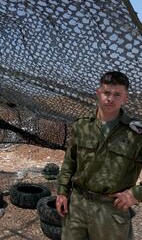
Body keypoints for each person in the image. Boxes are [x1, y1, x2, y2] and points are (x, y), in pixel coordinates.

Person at [56, 71, 142, 240]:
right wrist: (62, 192)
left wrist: (136, 194)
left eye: (117, 94)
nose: (110, 99)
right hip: (77, 206)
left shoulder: (136, 134)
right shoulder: (82, 126)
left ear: (125, 98)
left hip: (111, 209)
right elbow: (69, 162)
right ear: (98, 93)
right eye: (106, 93)